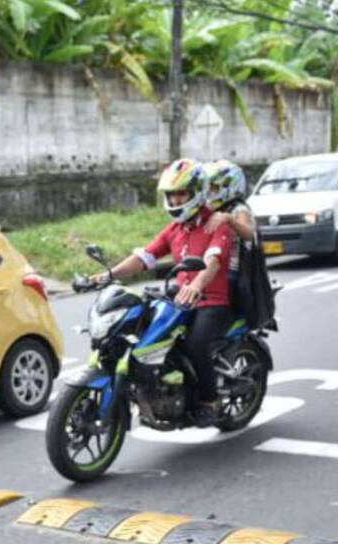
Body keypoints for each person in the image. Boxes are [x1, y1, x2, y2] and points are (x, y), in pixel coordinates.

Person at [91, 158, 236, 427]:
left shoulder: (216, 224)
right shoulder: (174, 229)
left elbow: (214, 262)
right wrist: (108, 275)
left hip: (211, 302)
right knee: (144, 334)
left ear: (198, 192)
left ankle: (209, 400)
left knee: (195, 345)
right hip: (180, 299)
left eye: (182, 193)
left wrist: (196, 286)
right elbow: (144, 257)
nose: (176, 199)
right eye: (172, 195)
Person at [202, 160, 255, 285]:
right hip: (213, 263)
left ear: (231, 186)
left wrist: (230, 219)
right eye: (207, 188)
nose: (209, 193)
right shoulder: (211, 209)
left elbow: (248, 233)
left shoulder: (239, 209)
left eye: (213, 188)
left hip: (233, 269)